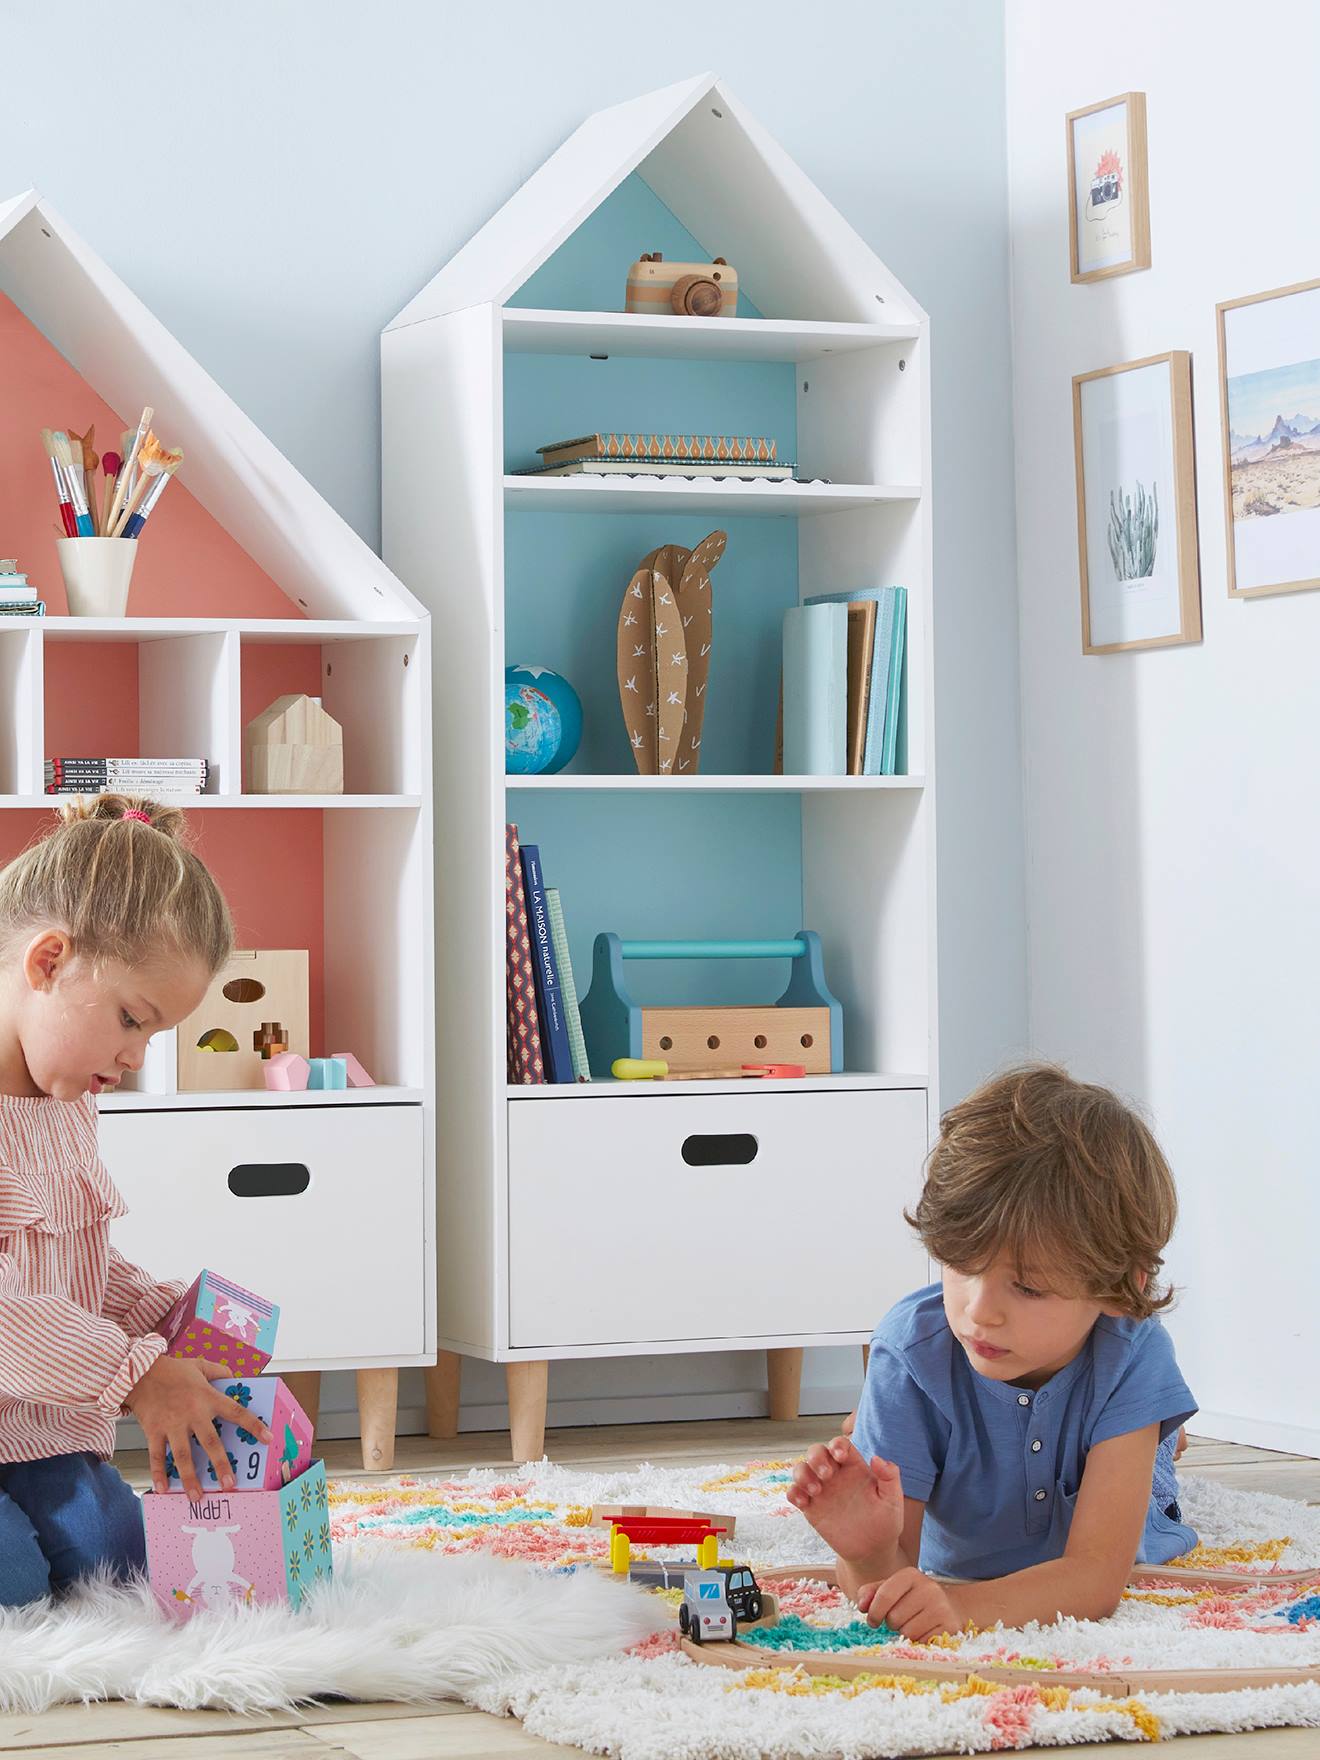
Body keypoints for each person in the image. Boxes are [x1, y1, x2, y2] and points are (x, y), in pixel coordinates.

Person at [789, 1065, 1196, 1640]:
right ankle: (1146, 1428)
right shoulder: (912, 1351)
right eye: (962, 1267)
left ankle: (1157, 1435)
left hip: (1120, 1470)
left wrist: (964, 1610)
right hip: (944, 1405)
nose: (979, 1312)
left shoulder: (1134, 1353)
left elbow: (1098, 1579)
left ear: (1119, 1290)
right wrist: (870, 1555)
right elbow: (887, 1586)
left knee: (1144, 1456)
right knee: (899, 1426)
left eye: (1027, 1288)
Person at [0, 797, 272, 1608]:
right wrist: (136, 1374)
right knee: (14, 1585)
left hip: (32, 1427)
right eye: (131, 1021)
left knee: (119, 1559)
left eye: (154, 1036)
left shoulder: (65, 1099)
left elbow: (71, 1259)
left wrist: (162, 1316)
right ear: (47, 961)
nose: (135, 1056)